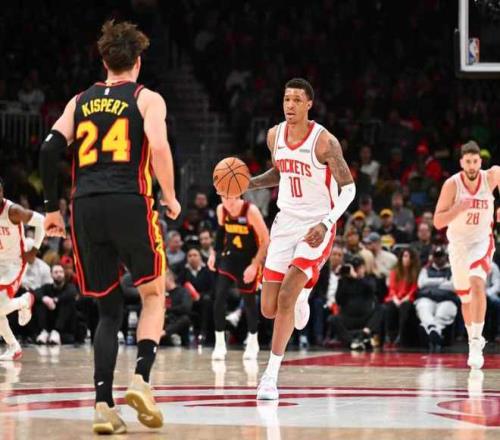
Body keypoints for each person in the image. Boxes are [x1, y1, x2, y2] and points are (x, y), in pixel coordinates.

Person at [38, 20, 181, 434]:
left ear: (104, 61)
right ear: (138, 62)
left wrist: (51, 210)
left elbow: (48, 150)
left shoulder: (79, 101)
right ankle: (141, 380)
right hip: (129, 200)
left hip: (84, 206)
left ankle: (103, 405)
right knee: (153, 294)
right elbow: (158, 146)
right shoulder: (146, 98)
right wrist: (170, 196)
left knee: (108, 308)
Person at [248, 78, 355, 400]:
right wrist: (247, 184)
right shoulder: (274, 136)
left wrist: (326, 223)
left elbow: (349, 189)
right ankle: (303, 293)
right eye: (286, 99)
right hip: (285, 223)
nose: (290, 105)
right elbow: (280, 172)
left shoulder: (325, 142)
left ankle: (270, 376)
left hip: (316, 224)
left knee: (286, 298)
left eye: (297, 100)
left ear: (309, 104)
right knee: (268, 308)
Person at [434, 141, 499, 369]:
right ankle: (473, 339)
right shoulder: (452, 185)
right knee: (465, 299)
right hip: (458, 245)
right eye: (468, 161)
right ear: (462, 162)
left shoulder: (492, 176)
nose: (472, 165)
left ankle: (476, 341)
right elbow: (438, 221)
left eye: (475, 161)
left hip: (481, 241)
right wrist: (457, 209)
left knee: (477, 282)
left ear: (480, 162)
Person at [208, 195, 269, 361]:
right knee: (219, 297)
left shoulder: (251, 211)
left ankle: (253, 341)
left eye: (230, 199)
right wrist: (213, 254)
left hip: (249, 260)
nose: (227, 203)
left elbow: (265, 240)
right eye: (223, 198)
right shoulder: (221, 209)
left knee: (249, 301)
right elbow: (220, 235)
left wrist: (255, 265)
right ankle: (219, 344)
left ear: (238, 196)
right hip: (229, 257)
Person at [0, 178, 44, 360]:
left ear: (1, 192)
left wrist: (34, 250)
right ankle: (13, 347)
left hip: (15, 263)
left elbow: (42, 221)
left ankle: (25, 301)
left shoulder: (13, 211)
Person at [414, 246, 458, 352]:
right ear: (432, 257)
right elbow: (421, 284)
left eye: (441, 256)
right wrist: (442, 281)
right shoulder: (425, 269)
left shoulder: (453, 269)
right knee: (423, 308)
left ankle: (431, 330)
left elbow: (454, 286)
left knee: (442, 313)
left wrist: (430, 283)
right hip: (427, 297)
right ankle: (434, 329)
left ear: (446, 257)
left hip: (447, 299)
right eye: (436, 256)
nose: (439, 259)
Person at [34, 264, 79, 345]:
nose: (59, 274)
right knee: (41, 301)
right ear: (51, 275)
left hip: (64, 325)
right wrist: (45, 299)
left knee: (67, 301)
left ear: (64, 274)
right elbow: (36, 292)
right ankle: (44, 331)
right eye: (56, 272)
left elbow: (72, 293)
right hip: (50, 321)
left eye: (61, 272)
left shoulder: (69, 287)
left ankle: (56, 331)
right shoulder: (47, 287)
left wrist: (55, 300)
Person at [384, 248, 420, 346]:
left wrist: (405, 298)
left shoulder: (415, 272)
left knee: (405, 307)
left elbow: (414, 288)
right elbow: (392, 288)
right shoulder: (394, 271)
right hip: (394, 297)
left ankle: (401, 335)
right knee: (389, 307)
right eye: (404, 256)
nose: (406, 259)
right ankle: (389, 336)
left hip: (408, 298)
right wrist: (395, 299)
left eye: (408, 257)